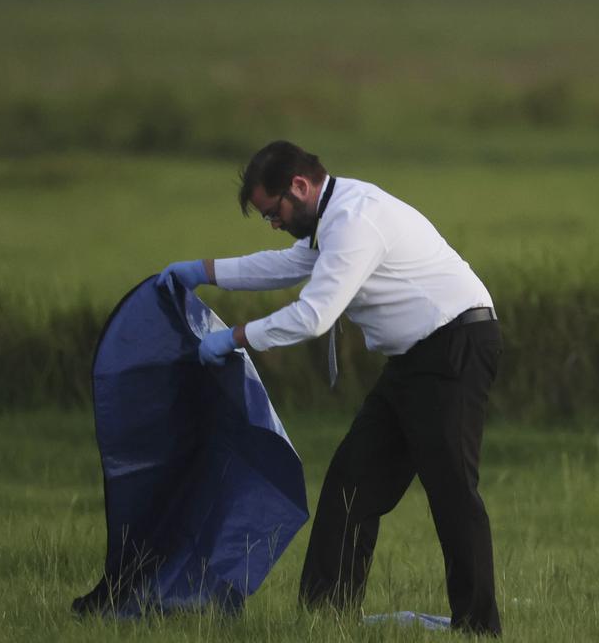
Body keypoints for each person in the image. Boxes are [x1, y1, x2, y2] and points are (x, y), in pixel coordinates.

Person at [158, 140, 503, 636]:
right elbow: (286, 265)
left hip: (454, 348)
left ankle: (478, 626)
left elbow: (314, 316)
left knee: (451, 491)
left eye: (272, 212)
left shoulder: (354, 221)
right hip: (415, 359)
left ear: (299, 187)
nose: (273, 223)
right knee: (351, 482)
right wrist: (204, 273)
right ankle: (325, 618)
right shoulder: (333, 217)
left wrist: (233, 339)